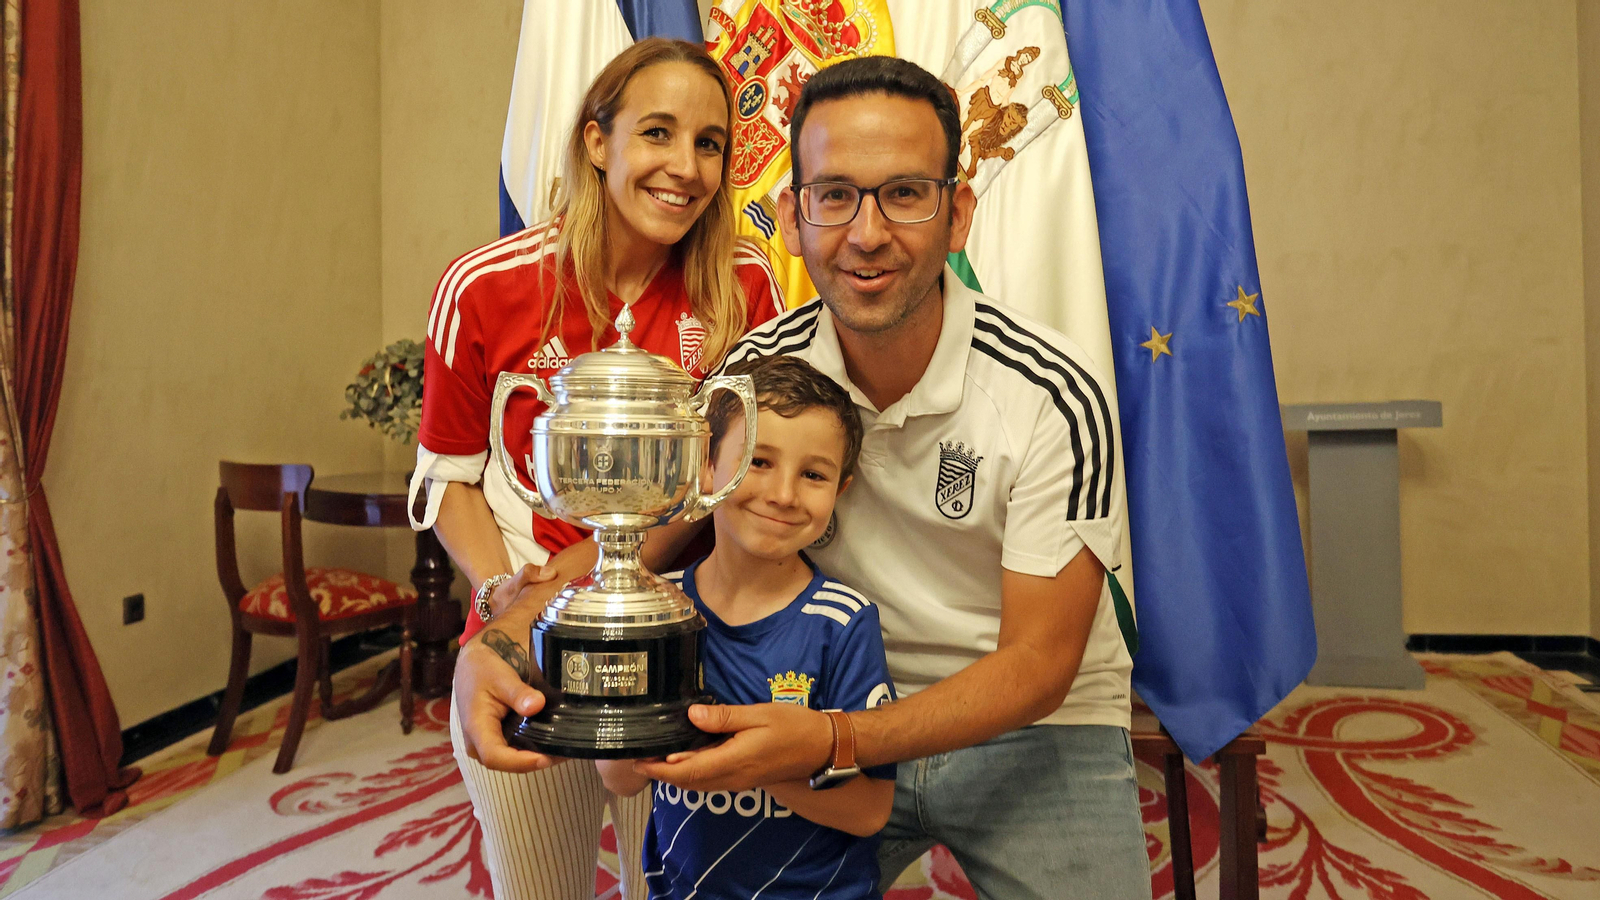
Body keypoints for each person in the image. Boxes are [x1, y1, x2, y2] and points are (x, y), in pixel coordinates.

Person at [453, 56, 1150, 899]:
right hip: (812, 694)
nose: (866, 233)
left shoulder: (1053, 391)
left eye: (905, 194)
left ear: (958, 214)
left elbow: (1040, 662)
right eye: (834, 195)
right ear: (790, 216)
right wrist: (493, 641)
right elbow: (635, 545)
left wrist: (838, 740)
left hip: (1024, 729)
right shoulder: (749, 382)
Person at [409, 38, 783, 900]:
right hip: (515, 639)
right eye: (657, 132)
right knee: (539, 885)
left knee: (685, 883)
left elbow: (729, 480)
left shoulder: (745, 285)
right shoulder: (483, 287)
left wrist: (579, 578)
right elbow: (447, 474)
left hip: (683, 641)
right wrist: (507, 593)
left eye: (709, 144)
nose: (685, 168)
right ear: (595, 142)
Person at [596, 354, 897, 900]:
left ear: (841, 488)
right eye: (758, 461)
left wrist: (757, 763)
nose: (783, 494)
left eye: (813, 474)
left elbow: (870, 810)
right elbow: (620, 778)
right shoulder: (653, 609)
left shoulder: (843, 624)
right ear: (706, 467)